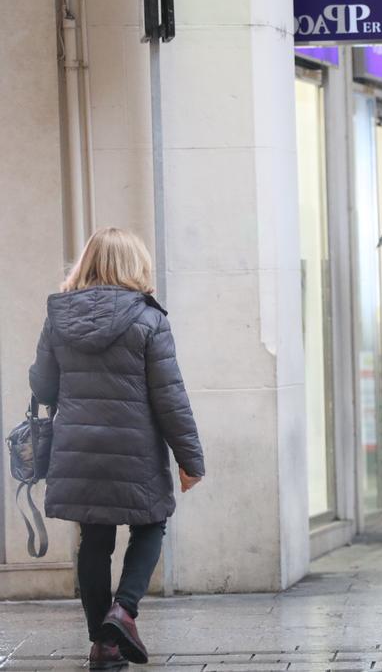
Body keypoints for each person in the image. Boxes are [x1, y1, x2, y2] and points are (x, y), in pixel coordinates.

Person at [28, 228, 205, 670]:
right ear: (134, 265)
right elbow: (170, 396)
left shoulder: (58, 318)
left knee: (95, 539)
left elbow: (44, 386)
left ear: (86, 263)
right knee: (151, 523)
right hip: (135, 448)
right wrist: (190, 459)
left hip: (78, 447)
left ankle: (103, 647)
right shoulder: (149, 319)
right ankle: (123, 612)